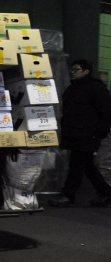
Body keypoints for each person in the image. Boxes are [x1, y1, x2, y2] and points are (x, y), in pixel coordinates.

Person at [48, 59, 111, 207]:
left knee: (76, 165)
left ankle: (67, 196)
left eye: (76, 69)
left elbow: (106, 112)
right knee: (87, 166)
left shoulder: (96, 89)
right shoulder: (73, 88)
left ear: (86, 71)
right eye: (72, 69)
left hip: (88, 135)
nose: (72, 71)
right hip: (76, 134)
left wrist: (99, 133)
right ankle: (106, 193)